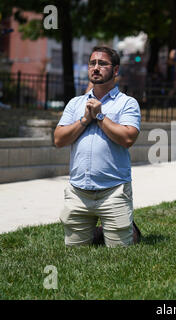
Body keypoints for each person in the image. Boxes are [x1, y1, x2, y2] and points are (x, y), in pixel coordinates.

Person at [54, 46, 141, 247]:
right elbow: (59, 139)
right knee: (75, 255)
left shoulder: (127, 103)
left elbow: (128, 138)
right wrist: (85, 120)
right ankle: (102, 230)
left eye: (102, 64)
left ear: (115, 70)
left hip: (114, 191)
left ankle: (129, 229)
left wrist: (100, 117)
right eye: (92, 63)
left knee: (120, 257)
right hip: (78, 192)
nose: (96, 67)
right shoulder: (75, 104)